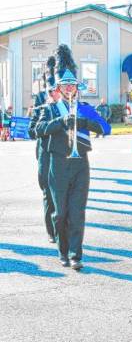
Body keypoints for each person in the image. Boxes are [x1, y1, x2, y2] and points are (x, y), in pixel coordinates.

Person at [35, 44, 109, 270]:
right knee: (60, 213)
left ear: (77, 87)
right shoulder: (49, 109)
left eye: (72, 85)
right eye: (65, 85)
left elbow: (106, 128)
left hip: (80, 165)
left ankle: (76, 254)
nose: (69, 88)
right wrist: (59, 123)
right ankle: (63, 250)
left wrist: (87, 123)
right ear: (60, 87)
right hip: (57, 164)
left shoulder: (85, 108)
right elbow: (37, 130)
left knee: (77, 211)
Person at [28, 56, 57, 243]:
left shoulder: (71, 101)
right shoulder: (40, 99)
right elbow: (32, 131)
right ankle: (51, 230)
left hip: (64, 153)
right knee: (47, 190)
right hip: (45, 151)